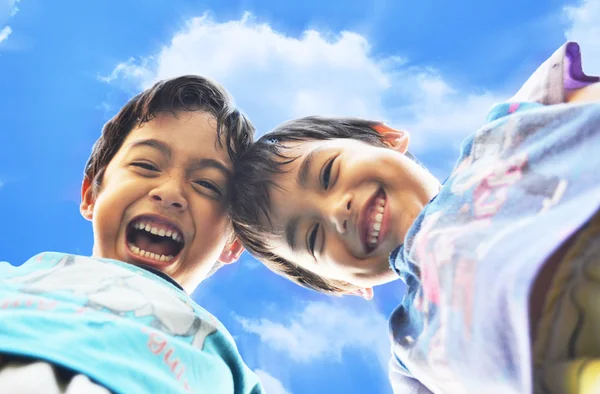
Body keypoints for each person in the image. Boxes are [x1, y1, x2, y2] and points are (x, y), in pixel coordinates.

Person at [230, 42, 600, 393]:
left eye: (329, 174)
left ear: (384, 137)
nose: (335, 212)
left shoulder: (497, 135)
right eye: (312, 238)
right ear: (341, 284)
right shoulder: (409, 356)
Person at [0, 75, 264, 394]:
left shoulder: (228, 364)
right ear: (90, 195)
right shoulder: (13, 278)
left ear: (233, 242)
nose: (169, 193)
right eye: (145, 165)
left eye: (207, 184)